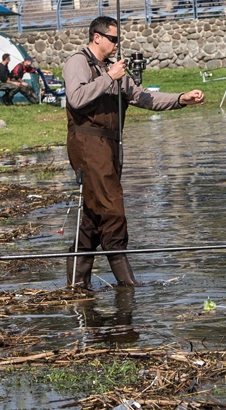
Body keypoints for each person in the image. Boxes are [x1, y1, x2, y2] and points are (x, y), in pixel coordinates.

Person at [63, 15, 204, 289]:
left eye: (118, 40)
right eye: (113, 39)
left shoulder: (112, 69)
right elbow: (76, 99)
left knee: (94, 214)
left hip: (111, 146)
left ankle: (77, 285)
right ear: (97, 37)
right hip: (87, 144)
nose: (117, 44)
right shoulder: (78, 63)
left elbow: (142, 97)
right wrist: (108, 77)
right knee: (113, 207)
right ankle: (127, 284)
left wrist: (181, 98)